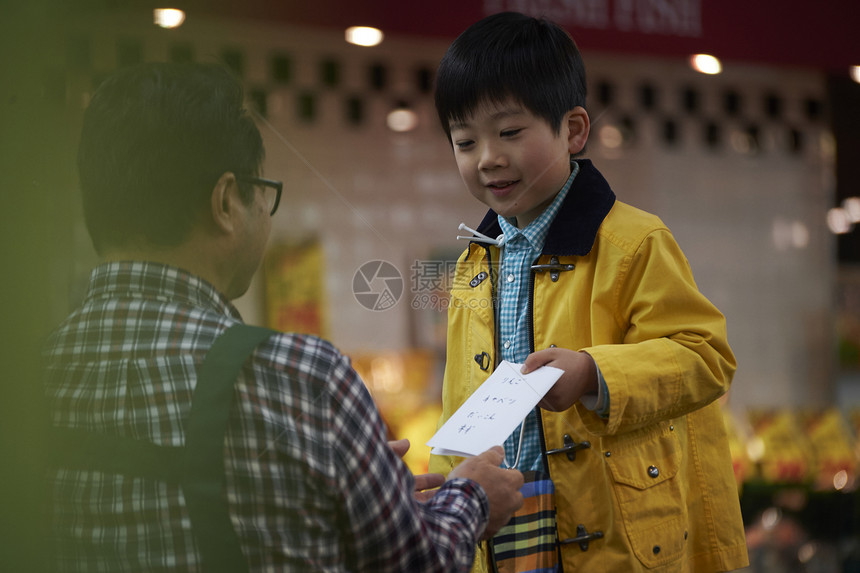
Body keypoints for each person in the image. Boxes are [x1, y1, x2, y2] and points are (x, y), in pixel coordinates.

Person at [43, 61, 524, 572]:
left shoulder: (29, 378)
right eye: (261, 193)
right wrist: (471, 498)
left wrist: (353, 494)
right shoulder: (299, 376)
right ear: (226, 201)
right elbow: (415, 565)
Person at [429, 12, 749, 572]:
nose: (487, 158)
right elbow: (461, 395)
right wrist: (446, 484)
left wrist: (593, 374)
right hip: (502, 528)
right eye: (464, 141)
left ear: (574, 130)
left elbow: (706, 357)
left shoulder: (634, 241)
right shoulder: (473, 263)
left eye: (509, 132)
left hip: (612, 532)